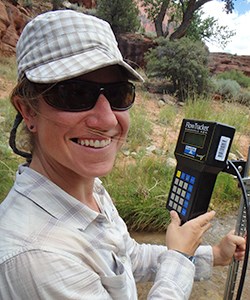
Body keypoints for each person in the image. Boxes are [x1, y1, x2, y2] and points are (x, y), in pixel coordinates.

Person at [0, 10, 245, 300]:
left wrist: (211, 254)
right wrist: (178, 257)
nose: (107, 120)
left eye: (118, 94)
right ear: (28, 110)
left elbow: (128, 257)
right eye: (75, 93)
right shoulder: (36, 257)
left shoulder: (89, 189)